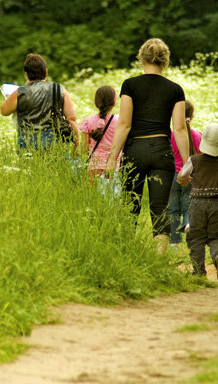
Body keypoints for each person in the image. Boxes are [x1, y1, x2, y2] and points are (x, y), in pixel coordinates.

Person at [105, 38, 190, 252]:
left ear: (141, 59)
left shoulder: (130, 85)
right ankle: (159, 261)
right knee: (160, 209)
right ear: (165, 61)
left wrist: (112, 158)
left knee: (129, 207)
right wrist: (188, 164)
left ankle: (127, 256)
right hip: (162, 151)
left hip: (134, 150)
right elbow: (179, 129)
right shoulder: (175, 90)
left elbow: (124, 124)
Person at [176, 124, 218, 279]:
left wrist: (184, 180)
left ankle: (199, 271)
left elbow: (181, 175)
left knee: (197, 237)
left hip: (198, 204)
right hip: (217, 204)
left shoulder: (195, 160)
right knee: (215, 236)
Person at [0, 53, 78, 152]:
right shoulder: (59, 89)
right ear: (46, 72)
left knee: (27, 167)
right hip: (52, 139)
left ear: (26, 73)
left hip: (27, 141)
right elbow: (71, 119)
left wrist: (26, 84)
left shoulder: (20, 92)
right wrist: (77, 146)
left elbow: (4, 111)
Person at [168, 100, 202, 246]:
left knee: (173, 208)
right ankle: (188, 224)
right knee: (188, 206)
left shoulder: (170, 136)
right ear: (192, 116)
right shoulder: (198, 136)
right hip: (191, 175)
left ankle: (174, 242)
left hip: (173, 175)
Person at [79, 85, 119, 175]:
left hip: (93, 168)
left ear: (96, 102)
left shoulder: (87, 121)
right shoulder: (120, 121)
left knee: (93, 190)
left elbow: (84, 150)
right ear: (114, 102)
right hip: (114, 167)